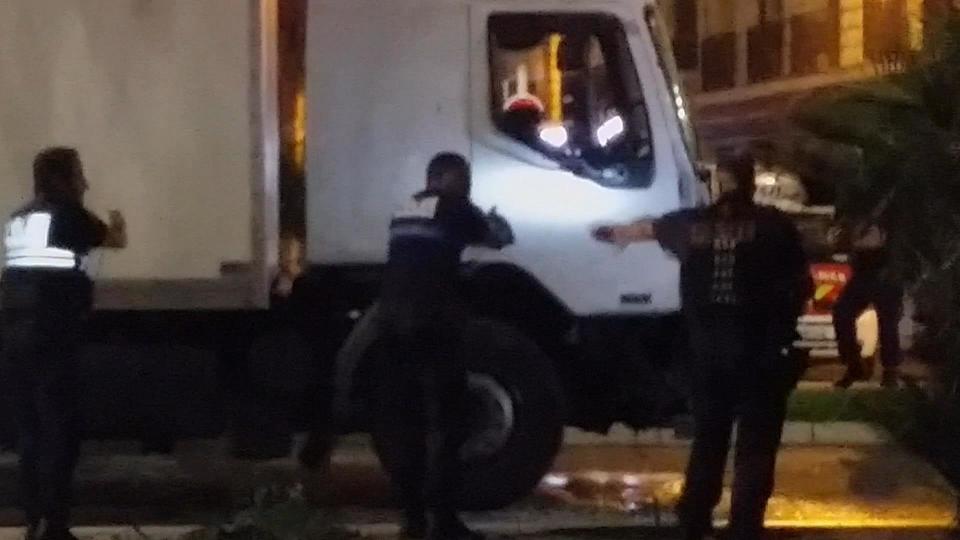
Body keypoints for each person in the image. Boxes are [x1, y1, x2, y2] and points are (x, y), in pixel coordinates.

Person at [593, 153, 812, 540]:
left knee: (710, 437)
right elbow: (800, 285)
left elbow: (642, 231)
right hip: (760, 355)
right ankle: (744, 526)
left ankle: (694, 516)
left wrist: (609, 233)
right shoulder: (775, 226)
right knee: (756, 446)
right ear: (750, 184)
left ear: (717, 184)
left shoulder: (690, 224)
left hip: (707, 354)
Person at [378, 152, 513, 540]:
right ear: (451, 179)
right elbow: (499, 238)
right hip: (434, 325)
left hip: (392, 323)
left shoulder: (406, 207)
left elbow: (419, 253)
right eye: (465, 180)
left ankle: (412, 522)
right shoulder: (457, 207)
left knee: (407, 427)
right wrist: (494, 219)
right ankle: (445, 521)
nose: (467, 187)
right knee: (448, 425)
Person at [1, 148, 127, 540]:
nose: (84, 184)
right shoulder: (70, 216)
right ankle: (54, 527)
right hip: (52, 338)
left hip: (15, 339)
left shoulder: (18, 219)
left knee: (30, 434)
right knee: (60, 433)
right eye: (78, 176)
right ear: (61, 180)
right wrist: (118, 220)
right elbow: (116, 240)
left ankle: (34, 521)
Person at [829, 216, 902, 389]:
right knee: (842, 312)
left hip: (885, 268)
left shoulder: (888, 211)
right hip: (863, 268)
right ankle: (854, 364)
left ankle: (890, 370)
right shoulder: (858, 211)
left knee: (888, 320)